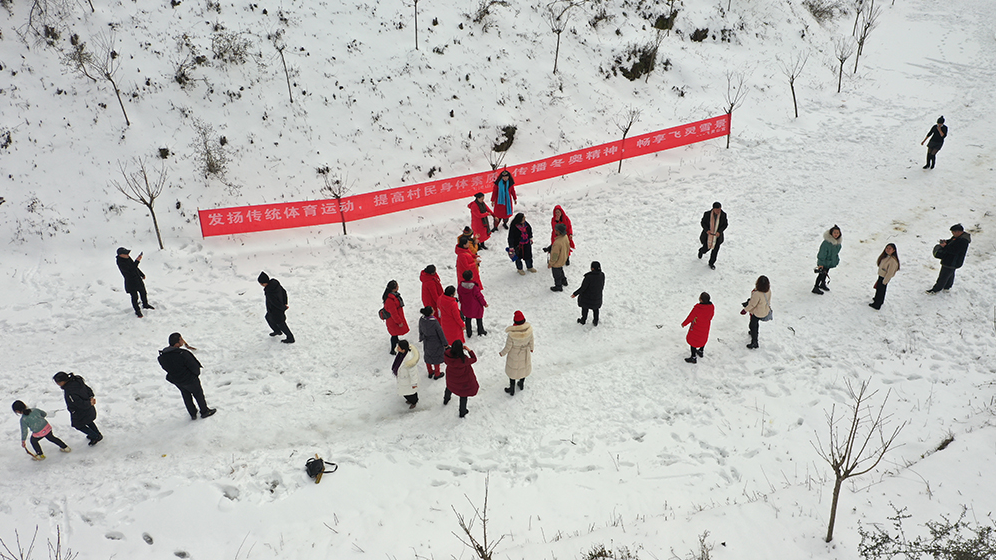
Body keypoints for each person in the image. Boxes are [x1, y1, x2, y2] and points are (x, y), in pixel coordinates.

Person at [157, 332, 216, 420]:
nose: (183, 341)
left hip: (177, 381)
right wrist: (195, 375)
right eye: (181, 339)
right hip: (190, 379)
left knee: (186, 395)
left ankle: (192, 413)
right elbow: (194, 366)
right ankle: (204, 411)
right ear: (177, 343)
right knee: (198, 394)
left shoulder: (163, 356)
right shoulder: (183, 354)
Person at [53, 372, 102, 446]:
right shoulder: (77, 381)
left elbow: (78, 403)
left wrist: (88, 403)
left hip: (80, 411)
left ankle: (95, 436)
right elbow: (88, 389)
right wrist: (91, 398)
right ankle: (97, 434)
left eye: (58, 382)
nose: (57, 384)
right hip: (88, 409)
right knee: (89, 421)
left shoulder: (70, 391)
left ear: (63, 381)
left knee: (78, 425)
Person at [927, 223, 971, 293]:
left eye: (953, 232)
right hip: (953, 261)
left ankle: (936, 289)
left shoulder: (963, 241)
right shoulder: (958, 237)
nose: (952, 234)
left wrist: (945, 246)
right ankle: (947, 286)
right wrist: (946, 242)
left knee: (943, 276)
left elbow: (954, 250)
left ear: (958, 232)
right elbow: (952, 242)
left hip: (952, 261)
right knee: (950, 274)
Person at [498, 311, 534, 396]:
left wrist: (502, 353)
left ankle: (512, 389)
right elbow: (531, 340)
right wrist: (531, 348)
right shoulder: (529, 330)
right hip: (525, 353)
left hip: (514, 355)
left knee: (513, 373)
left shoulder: (512, 334)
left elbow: (508, 347)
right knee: (523, 369)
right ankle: (521, 384)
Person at [443, 340, 479, 418]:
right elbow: (474, 359)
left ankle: (446, 399)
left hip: (451, 378)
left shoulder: (447, 355)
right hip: (462, 381)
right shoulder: (463, 360)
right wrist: (469, 350)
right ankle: (462, 412)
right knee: (463, 395)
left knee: (449, 387)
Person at [116, 247, 154, 317]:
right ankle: (137, 311)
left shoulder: (127, 258)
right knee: (135, 297)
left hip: (137, 279)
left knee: (143, 292)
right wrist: (137, 261)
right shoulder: (120, 263)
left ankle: (145, 304)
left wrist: (141, 274)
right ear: (121, 255)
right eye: (126, 254)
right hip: (130, 282)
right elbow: (131, 269)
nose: (128, 255)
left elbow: (135, 267)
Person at [258, 272, 295, 343]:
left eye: (261, 284)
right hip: (275, 309)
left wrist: (283, 307)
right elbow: (284, 292)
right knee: (268, 317)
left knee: (281, 324)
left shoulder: (269, 291)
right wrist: (285, 303)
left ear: (263, 283)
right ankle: (277, 331)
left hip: (275, 310)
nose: (261, 285)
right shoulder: (275, 284)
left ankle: (290, 338)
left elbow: (274, 303)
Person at [681, 292, 715, 363]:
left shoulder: (698, 308)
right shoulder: (711, 307)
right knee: (703, 338)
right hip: (705, 326)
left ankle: (693, 357)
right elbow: (711, 316)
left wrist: (684, 324)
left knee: (693, 342)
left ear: (701, 300)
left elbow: (690, 317)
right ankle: (700, 351)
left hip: (696, 327)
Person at [741, 276, 771, 349]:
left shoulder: (757, 294)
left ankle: (755, 342)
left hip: (757, 313)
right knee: (754, 324)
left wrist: (745, 310)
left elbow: (752, 304)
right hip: (764, 310)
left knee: (753, 325)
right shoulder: (768, 291)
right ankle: (753, 334)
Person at [571, 261, 604, 325]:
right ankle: (595, 321)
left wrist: (575, 293)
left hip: (587, 297)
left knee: (585, 308)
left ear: (592, 268)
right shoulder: (602, 275)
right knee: (595, 309)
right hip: (597, 296)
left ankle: (583, 320)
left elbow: (583, 288)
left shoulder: (588, 277)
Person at [381, 280, 409, 354]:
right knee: (393, 335)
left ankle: (396, 341)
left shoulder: (392, 296)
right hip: (393, 321)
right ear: (394, 288)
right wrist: (399, 322)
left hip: (393, 320)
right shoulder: (390, 300)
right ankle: (392, 349)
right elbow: (393, 313)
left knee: (395, 334)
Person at [697, 202, 728, 270]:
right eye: (716, 210)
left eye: (719, 209)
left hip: (717, 237)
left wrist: (719, 232)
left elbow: (725, 224)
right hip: (708, 236)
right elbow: (703, 223)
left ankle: (711, 263)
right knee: (706, 248)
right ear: (713, 209)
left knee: (715, 251)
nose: (718, 211)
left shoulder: (723, 215)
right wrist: (707, 230)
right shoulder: (707, 214)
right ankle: (701, 251)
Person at [418, 306, 447, 379]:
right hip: (436, 342)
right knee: (436, 358)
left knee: (428, 356)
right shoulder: (434, 322)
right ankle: (437, 373)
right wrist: (445, 344)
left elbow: (420, 329)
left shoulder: (422, 319)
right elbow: (440, 333)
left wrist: (421, 337)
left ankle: (430, 372)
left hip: (426, 341)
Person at [457, 269, 488, 338]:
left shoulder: (460, 286)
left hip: (466, 305)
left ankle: (469, 332)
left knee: (468, 319)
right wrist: (484, 303)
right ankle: (480, 330)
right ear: (472, 277)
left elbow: (460, 296)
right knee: (479, 318)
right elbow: (479, 297)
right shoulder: (474, 287)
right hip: (476, 306)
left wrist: (462, 302)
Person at [813, 225, 842, 295]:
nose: (836, 234)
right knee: (821, 275)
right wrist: (821, 264)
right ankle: (815, 287)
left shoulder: (837, 244)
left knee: (825, 274)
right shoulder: (826, 243)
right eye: (834, 232)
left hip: (829, 262)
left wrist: (835, 260)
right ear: (831, 233)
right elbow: (822, 254)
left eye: (837, 233)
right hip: (823, 263)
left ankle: (822, 284)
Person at [391, 340, 420, 409]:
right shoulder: (401, 354)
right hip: (403, 379)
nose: (397, 348)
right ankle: (410, 400)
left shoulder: (409, 360)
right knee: (405, 392)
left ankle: (414, 402)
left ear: (403, 349)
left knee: (411, 393)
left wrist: (414, 384)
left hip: (408, 380)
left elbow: (413, 373)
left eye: (399, 347)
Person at [870, 244, 900, 310]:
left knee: (881, 290)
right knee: (879, 289)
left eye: (890, 249)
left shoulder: (892, 261)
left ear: (894, 250)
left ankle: (877, 304)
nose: (888, 250)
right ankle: (877, 299)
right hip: (881, 276)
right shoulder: (886, 257)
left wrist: (885, 280)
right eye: (887, 248)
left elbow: (890, 272)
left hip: (884, 277)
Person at [548, 223, 571, 292]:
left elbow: (554, 255)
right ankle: (564, 281)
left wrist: (551, 263)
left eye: (556, 230)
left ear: (559, 231)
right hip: (563, 259)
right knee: (560, 270)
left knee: (556, 275)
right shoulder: (565, 237)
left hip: (557, 262)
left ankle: (558, 286)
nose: (555, 231)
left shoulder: (557, 243)